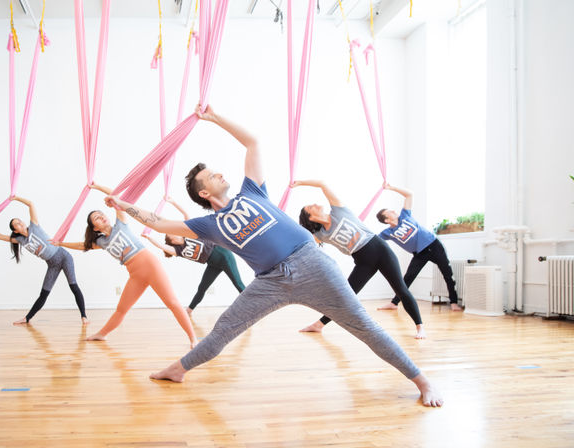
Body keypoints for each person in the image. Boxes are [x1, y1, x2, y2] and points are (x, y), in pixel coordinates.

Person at [103, 104, 443, 407]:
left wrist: (214, 116)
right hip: (271, 282)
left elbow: (253, 143)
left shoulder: (252, 190)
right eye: (212, 176)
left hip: (313, 265)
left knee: (364, 327)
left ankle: (421, 380)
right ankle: (178, 370)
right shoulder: (208, 224)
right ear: (205, 193)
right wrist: (122, 205)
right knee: (224, 327)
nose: (222, 174)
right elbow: (160, 221)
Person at [53, 184, 197, 348]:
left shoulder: (120, 223)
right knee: (121, 309)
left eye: (101, 214)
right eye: (97, 218)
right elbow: (82, 246)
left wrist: (96, 187)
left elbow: (118, 198)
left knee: (172, 303)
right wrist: (60, 243)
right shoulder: (101, 242)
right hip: (135, 275)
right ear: (95, 227)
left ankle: (193, 339)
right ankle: (102, 334)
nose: (102, 217)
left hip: (150, 265)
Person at [294, 180, 426, 338]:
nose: (315, 204)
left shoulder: (338, 210)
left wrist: (299, 183)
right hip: (363, 261)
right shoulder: (319, 235)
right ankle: (319, 325)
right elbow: (300, 239)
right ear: (310, 217)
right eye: (310, 207)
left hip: (380, 250)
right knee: (346, 295)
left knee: (401, 290)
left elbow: (323, 184)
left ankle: (420, 328)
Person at [0, 196, 89, 325]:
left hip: (63, 256)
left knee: (73, 286)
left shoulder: (34, 226)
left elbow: (30, 204)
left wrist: (16, 198)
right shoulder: (20, 240)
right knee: (44, 293)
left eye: (20, 221)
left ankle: (84, 316)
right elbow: (0, 237)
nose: (20, 223)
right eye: (16, 224)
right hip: (52, 264)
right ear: (15, 230)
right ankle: (27, 318)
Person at [141, 197, 246, 317]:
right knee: (202, 287)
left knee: (237, 283)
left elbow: (185, 214)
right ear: (173, 240)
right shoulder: (178, 250)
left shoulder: (188, 233)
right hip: (212, 263)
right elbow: (162, 246)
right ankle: (189, 311)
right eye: (172, 235)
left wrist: (173, 201)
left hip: (223, 255)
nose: (175, 233)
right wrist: (149, 238)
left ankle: (253, 306)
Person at [376, 183, 463, 312]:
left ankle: (454, 303)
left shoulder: (405, 215)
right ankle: (394, 303)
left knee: (447, 274)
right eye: (390, 212)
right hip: (419, 254)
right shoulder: (387, 233)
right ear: (387, 220)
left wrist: (391, 188)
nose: (394, 211)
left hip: (434, 245)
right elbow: (373, 240)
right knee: (408, 277)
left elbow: (409, 194)